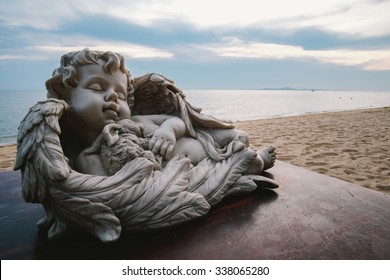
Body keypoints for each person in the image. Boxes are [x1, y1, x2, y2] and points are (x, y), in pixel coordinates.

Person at [45, 49, 275, 176]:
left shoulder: (137, 120)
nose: (114, 97)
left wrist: (168, 131)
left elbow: (176, 120)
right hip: (200, 170)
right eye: (96, 87)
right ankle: (259, 162)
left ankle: (239, 149)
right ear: (65, 97)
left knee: (237, 135)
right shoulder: (89, 157)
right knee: (247, 163)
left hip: (204, 143)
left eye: (122, 95)